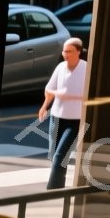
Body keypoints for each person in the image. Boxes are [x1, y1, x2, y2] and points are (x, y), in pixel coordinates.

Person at [40, 37, 88, 189]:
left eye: (69, 51)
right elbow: (49, 89)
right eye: (64, 51)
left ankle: (52, 189)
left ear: (79, 52)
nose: (65, 54)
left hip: (75, 119)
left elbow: (90, 95)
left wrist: (71, 97)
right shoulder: (61, 67)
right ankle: (59, 187)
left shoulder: (86, 68)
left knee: (60, 155)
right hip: (57, 117)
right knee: (55, 155)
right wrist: (45, 106)